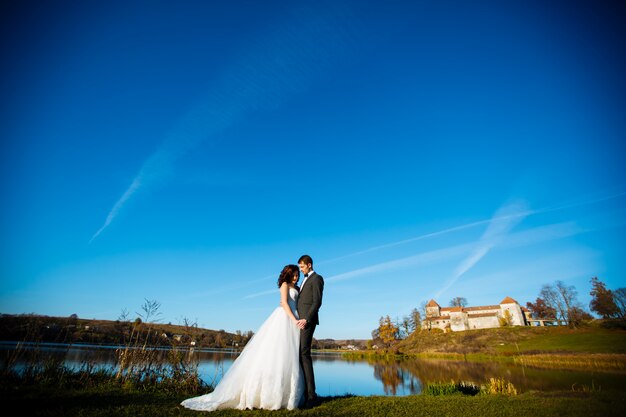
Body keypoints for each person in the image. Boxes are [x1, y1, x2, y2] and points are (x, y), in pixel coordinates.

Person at [181, 265, 304, 411]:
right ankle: (269, 396)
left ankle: (288, 395)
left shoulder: (296, 288)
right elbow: (284, 303)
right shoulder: (284, 285)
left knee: (290, 356)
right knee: (276, 354)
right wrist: (293, 319)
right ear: (288, 274)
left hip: (294, 319)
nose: (296, 277)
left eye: (297, 275)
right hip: (285, 318)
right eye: (294, 275)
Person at [296, 254, 324, 408]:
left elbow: (317, 301)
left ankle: (312, 397)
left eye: (302, 266)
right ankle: (304, 392)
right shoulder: (304, 280)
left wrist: (306, 318)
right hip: (299, 321)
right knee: (300, 354)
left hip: (307, 321)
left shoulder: (317, 278)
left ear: (309, 264)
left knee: (304, 354)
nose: (300, 270)